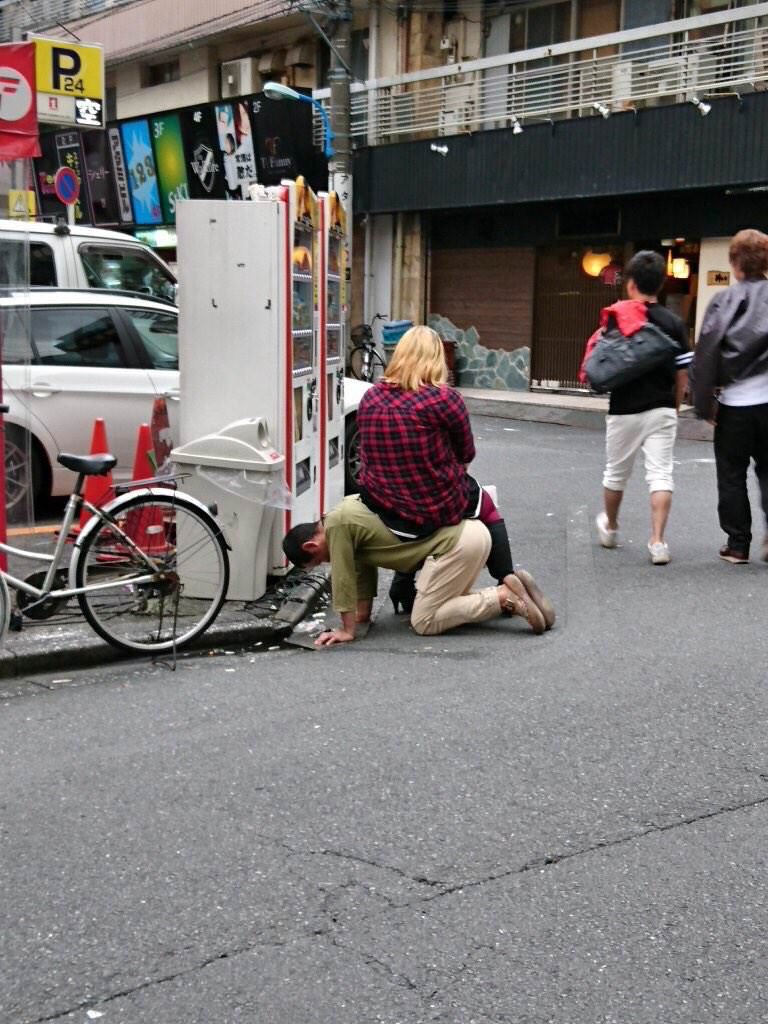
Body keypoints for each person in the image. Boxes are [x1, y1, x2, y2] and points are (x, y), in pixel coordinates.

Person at [354, 324, 553, 626]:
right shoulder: (444, 400)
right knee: (481, 503)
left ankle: (403, 584)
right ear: (437, 360)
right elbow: (465, 455)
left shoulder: (370, 399)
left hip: (386, 508)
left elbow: (365, 455)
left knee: (414, 505)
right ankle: (507, 577)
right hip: (436, 506)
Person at [282, 496, 548, 646]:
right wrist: (359, 617)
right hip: (472, 535)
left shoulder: (335, 527)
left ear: (311, 544)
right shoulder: (346, 512)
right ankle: (515, 595)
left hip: (456, 547)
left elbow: (343, 579)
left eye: (319, 560)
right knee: (449, 605)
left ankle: (503, 597)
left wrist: (346, 631)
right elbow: (360, 573)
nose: (327, 563)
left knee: (425, 622)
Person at [582, 250, 692, 564]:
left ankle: (611, 528)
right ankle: (658, 542)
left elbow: (603, 359)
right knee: (660, 475)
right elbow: (683, 370)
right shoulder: (672, 322)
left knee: (616, 474)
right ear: (660, 284)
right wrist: (675, 402)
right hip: (661, 406)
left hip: (623, 408)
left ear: (630, 284)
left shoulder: (616, 316)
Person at [690, 228, 768, 564]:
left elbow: (706, 353)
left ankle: (738, 545)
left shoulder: (724, 301)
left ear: (735, 264)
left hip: (735, 405)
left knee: (732, 474)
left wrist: (704, 404)